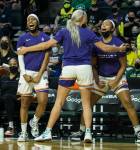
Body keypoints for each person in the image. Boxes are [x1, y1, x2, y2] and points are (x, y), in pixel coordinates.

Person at [17, 10, 126, 143]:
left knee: (59, 102)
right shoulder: (88, 32)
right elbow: (105, 48)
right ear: (83, 19)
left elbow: (45, 45)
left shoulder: (64, 31)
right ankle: (88, 134)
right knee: (86, 104)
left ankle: (47, 132)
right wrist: (119, 49)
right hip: (84, 69)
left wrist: (27, 49)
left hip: (68, 68)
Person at [70, 19, 140, 143]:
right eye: (102, 24)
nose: (103, 26)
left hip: (117, 76)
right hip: (102, 78)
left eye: (106, 25)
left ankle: (138, 132)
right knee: (87, 104)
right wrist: (97, 80)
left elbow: (123, 66)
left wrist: (116, 81)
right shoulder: (96, 43)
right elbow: (93, 65)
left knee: (128, 102)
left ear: (112, 29)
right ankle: (82, 131)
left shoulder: (118, 43)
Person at [17, 14, 50, 142]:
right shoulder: (22, 38)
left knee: (43, 101)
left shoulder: (45, 37)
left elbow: (47, 57)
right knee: (24, 103)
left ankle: (34, 122)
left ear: (37, 22)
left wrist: (39, 75)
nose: (30, 21)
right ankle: (24, 133)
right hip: (26, 73)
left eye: (33, 19)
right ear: (26, 24)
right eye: (28, 20)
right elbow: (20, 55)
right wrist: (24, 73)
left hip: (40, 74)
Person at [0, 58, 19, 136]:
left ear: (18, 65)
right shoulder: (3, 77)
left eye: (14, 64)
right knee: (6, 97)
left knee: (8, 97)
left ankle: (11, 127)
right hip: (3, 100)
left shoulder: (21, 77)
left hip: (16, 100)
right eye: (10, 64)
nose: (12, 66)